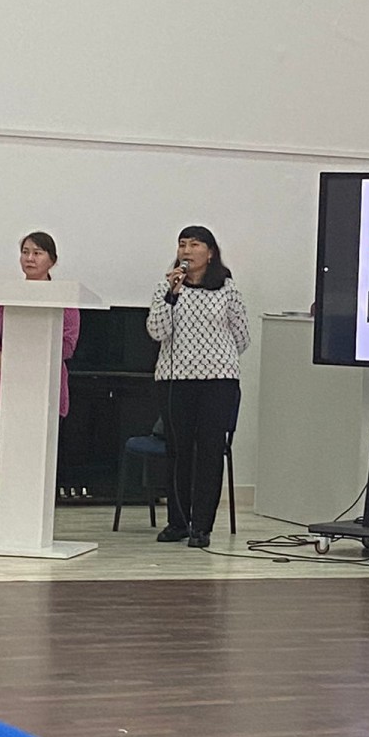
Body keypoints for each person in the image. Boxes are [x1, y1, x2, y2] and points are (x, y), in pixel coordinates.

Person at [146, 225, 249, 549]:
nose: (187, 251)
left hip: (218, 381)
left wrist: (215, 358)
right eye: (182, 245)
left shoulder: (228, 290)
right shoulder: (166, 288)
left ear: (210, 252)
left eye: (194, 245)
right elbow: (156, 331)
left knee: (209, 451)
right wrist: (171, 295)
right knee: (178, 451)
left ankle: (202, 526)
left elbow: (242, 336)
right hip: (175, 380)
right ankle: (178, 522)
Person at [0, 232, 80, 514]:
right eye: (25, 252)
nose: (30, 258)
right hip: (3, 387)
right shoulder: (4, 295)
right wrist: (3, 361)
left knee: (38, 458)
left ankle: (34, 520)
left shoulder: (65, 298)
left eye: (37, 253)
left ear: (52, 260)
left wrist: (30, 362)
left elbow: (67, 344)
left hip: (44, 388)